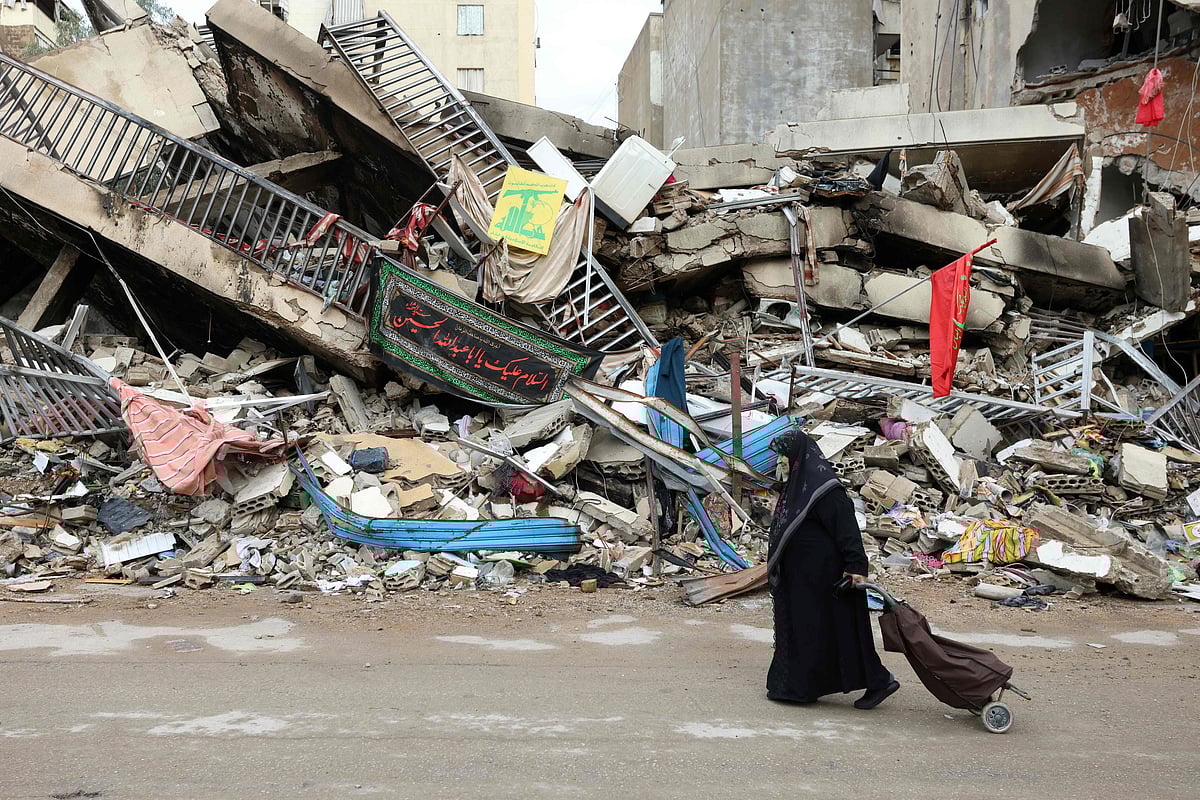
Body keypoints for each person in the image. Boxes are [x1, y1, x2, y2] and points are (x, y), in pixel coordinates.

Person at [764, 429, 899, 709]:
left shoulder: (825, 489)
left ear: (798, 457)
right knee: (811, 631)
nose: (781, 464)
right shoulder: (799, 487)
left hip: (827, 578)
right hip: (804, 580)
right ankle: (799, 686)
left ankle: (878, 681)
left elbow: (847, 529)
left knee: (835, 631)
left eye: (784, 458)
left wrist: (855, 567)